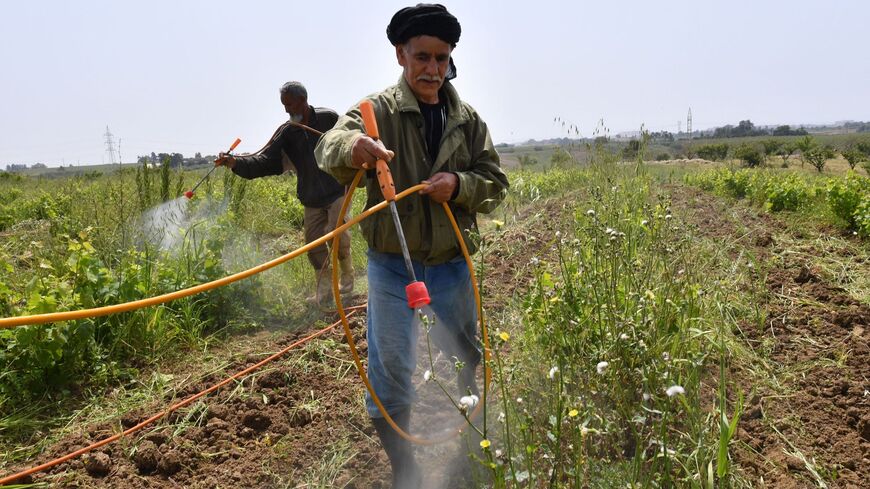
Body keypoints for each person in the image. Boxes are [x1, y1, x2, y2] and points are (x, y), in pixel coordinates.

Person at [315, 4, 509, 487]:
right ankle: (407, 469)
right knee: (391, 369)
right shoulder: (373, 111)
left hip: (451, 264)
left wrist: (459, 185)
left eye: (441, 59)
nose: (433, 69)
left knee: (467, 353)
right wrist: (353, 149)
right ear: (401, 55)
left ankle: (473, 438)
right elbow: (329, 147)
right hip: (392, 268)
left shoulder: (466, 119)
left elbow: (496, 183)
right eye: (422, 56)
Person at [216, 81, 354, 305]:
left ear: (302, 101)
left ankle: (347, 281)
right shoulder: (287, 132)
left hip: (337, 189)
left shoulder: (329, 118)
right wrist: (234, 162)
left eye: (289, 104)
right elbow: (265, 161)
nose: (286, 110)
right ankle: (324, 291)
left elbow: (348, 144)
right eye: (284, 106)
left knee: (338, 235)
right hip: (311, 197)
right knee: (313, 245)